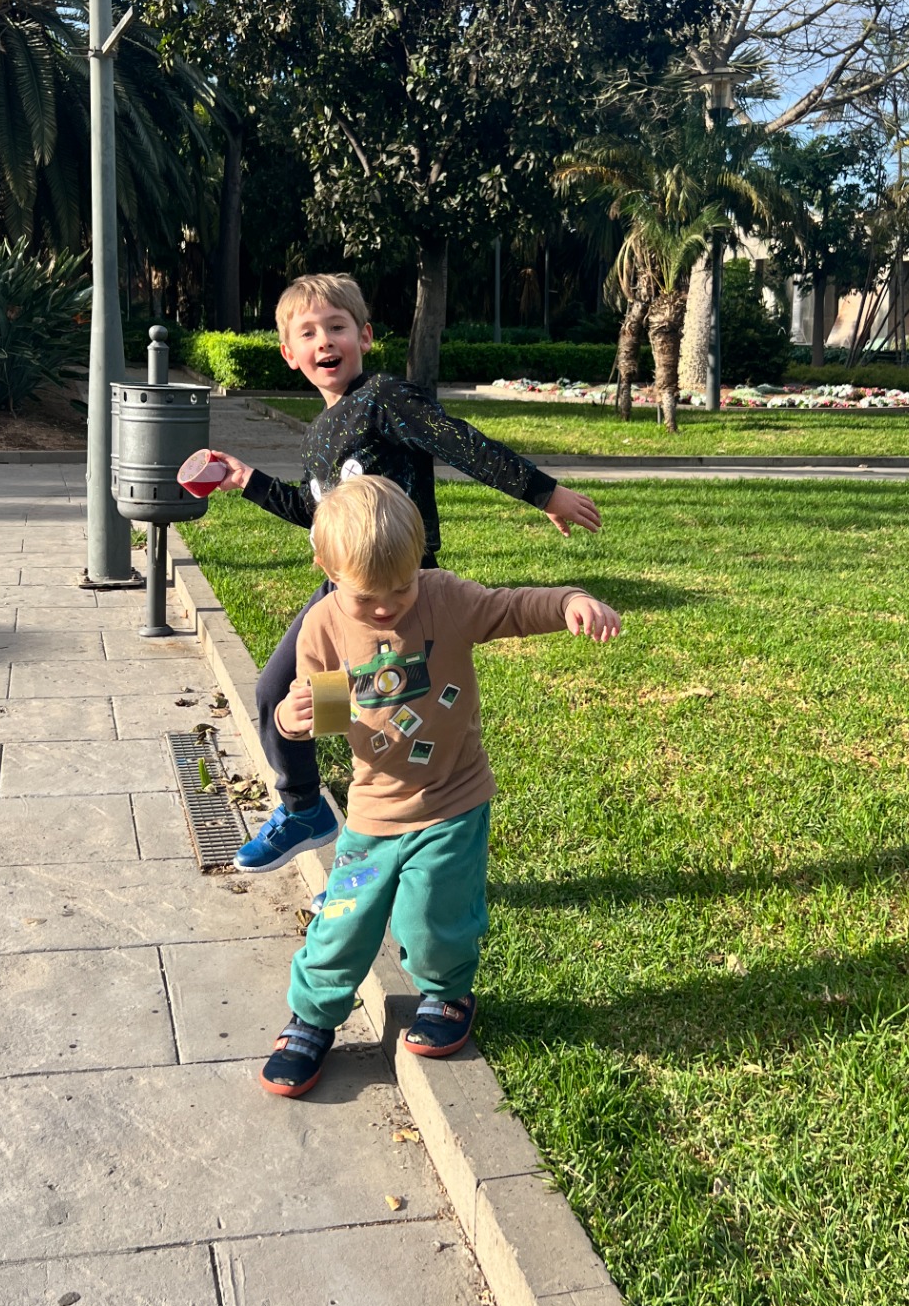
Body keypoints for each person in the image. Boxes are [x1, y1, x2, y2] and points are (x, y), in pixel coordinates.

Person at [179, 273, 602, 874]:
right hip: (345, 594)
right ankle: (307, 810)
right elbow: (316, 511)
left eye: (337, 327)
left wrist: (544, 492)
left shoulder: (384, 399)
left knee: (393, 721)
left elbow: (460, 443)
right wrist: (246, 479)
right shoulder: (320, 433)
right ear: (289, 354)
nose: (325, 341)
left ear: (365, 336)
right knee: (289, 696)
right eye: (309, 333)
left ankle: (400, 840)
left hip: (408, 592)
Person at [258, 474, 621, 1096]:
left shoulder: (445, 598)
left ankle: (447, 993)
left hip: (453, 798)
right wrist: (295, 719)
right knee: (342, 922)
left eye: (402, 588)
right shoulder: (323, 627)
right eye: (367, 596)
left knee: (432, 918)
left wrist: (568, 602)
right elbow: (328, 713)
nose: (386, 608)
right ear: (327, 570)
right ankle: (312, 1018)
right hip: (373, 809)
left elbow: (510, 607)